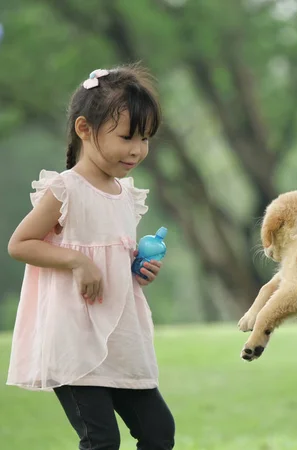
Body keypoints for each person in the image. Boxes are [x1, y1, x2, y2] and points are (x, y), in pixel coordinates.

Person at [6, 65, 175, 449]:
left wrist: (139, 269)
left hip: (121, 338)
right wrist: (77, 262)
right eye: (127, 136)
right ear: (85, 129)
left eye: (145, 138)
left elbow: (115, 259)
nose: (137, 149)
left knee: (158, 432)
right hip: (75, 341)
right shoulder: (66, 189)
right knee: (101, 440)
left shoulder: (125, 195)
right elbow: (20, 243)